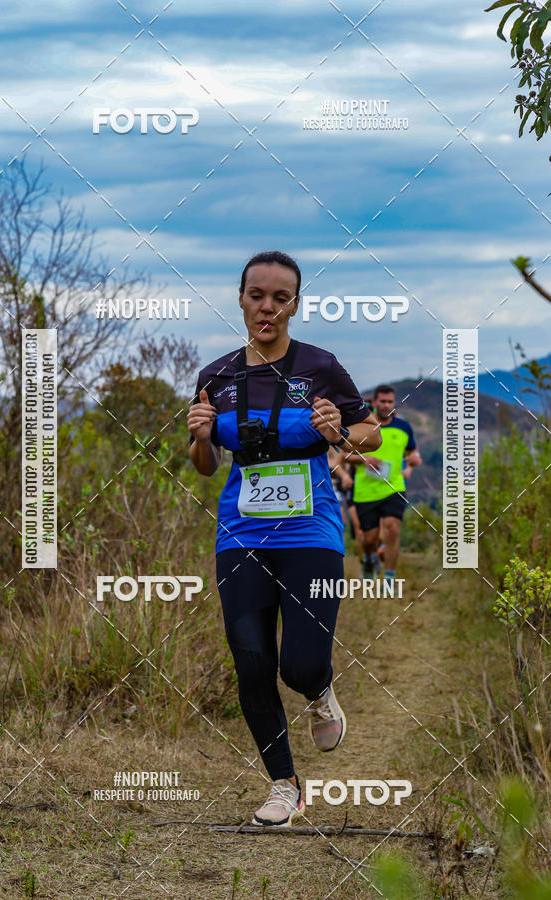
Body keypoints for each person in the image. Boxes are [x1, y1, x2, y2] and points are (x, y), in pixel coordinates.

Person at [187, 250, 381, 827]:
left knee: (298, 665)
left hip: (311, 531)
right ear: (241, 299)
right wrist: (199, 438)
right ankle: (283, 786)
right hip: (241, 532)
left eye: (280, 297)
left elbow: (369, 431)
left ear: (296, 304)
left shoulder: (320, 366)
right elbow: (204, 463)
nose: (267, 307)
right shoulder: (215, 376)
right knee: (251, 661)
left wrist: (340, 431)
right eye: (257, 295)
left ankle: (319, 690)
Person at [345, 384, 422, 584]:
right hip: (366, 491)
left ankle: (389, 579)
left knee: (392, 529)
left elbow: (412, 451)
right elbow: (344, 455)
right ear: (375, 402)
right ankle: (369, 560)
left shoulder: (404, 427)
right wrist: (364, 459)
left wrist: (413, 461)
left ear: (394, 403)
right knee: (369, 539)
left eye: (390, 402)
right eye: (383, 401)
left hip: (394, 486)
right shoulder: (363, 428)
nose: (386, 405)